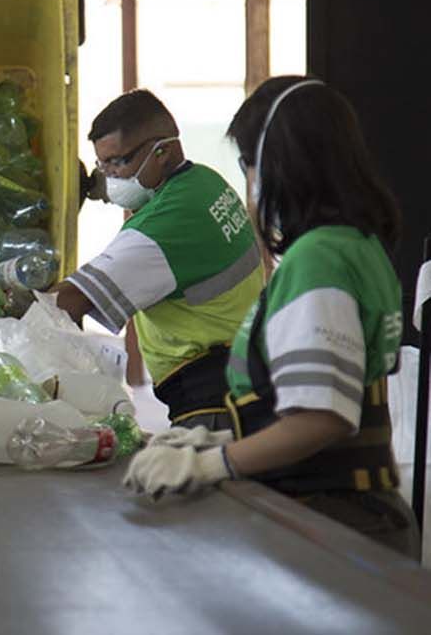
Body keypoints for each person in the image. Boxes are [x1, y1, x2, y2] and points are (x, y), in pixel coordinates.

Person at [124, 77, 418, 557]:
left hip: (334, 525)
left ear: (278, 166)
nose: (251, 183)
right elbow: (328, 392)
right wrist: (218, 437)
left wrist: (214, 463)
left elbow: (321, 419)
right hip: (364, 518)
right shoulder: (359, 246)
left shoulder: (319, 259)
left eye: (248, 165)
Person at [51, 90, 262, 430]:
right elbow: (122, 186)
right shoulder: (205, 184)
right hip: (243, 375)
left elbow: (66, 303)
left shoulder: (163, 227)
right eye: (100, 165)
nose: (109, 177)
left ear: (162, 151)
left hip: (210, 400)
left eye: (116, 163)